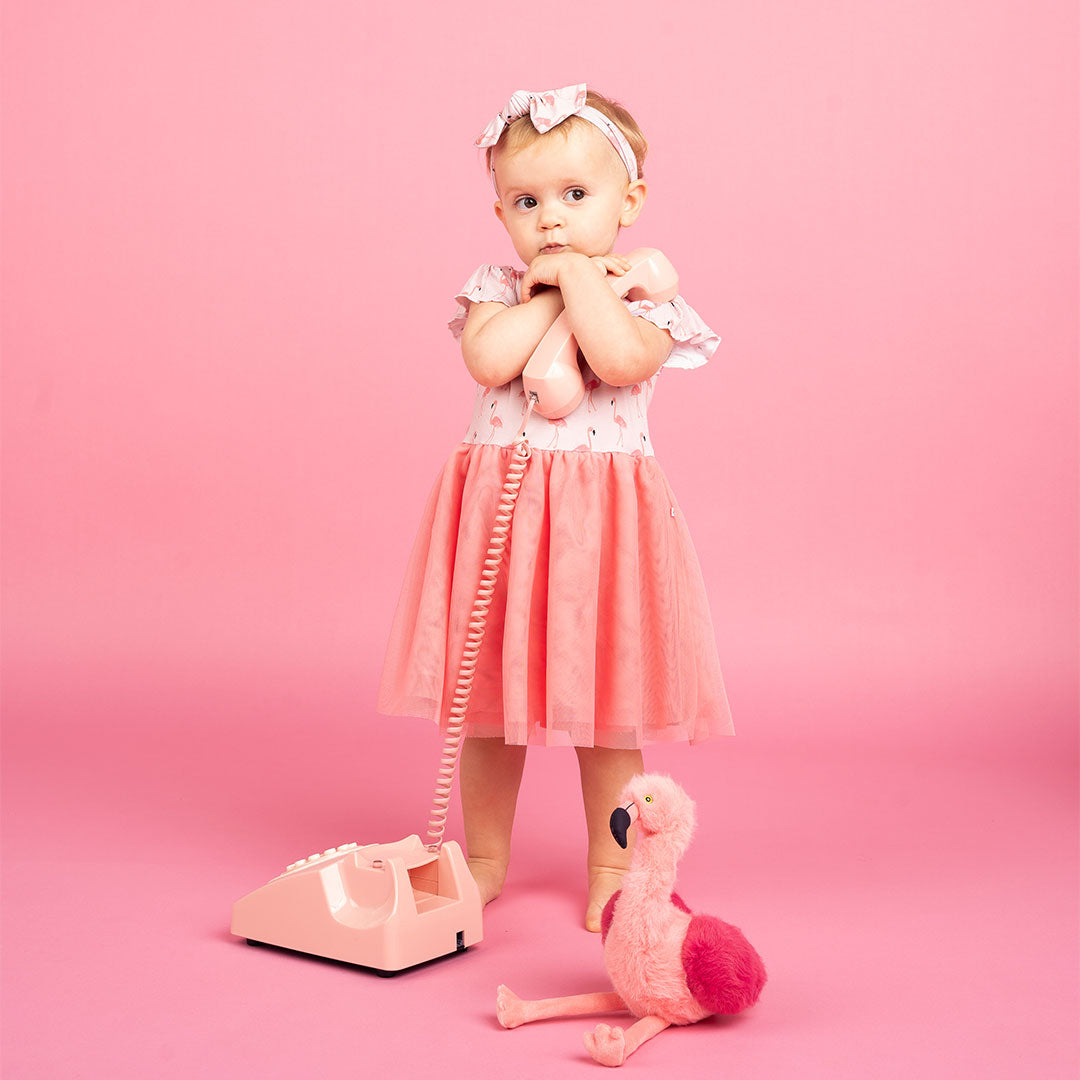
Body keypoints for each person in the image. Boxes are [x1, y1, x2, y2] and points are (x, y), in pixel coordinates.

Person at [377, 84, 733, 932]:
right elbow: (493, 362)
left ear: (630, 203)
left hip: (599, 532)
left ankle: (613, 863)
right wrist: (542, 292)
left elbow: (614, 356)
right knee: (487, 710)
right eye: (528, 202)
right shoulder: (496, 291)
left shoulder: (643, 303)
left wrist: (580, 279)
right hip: (501, 515)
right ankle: (486, 855)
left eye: (577, 197)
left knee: (608, 716)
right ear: (499, 211)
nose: (552, 220)